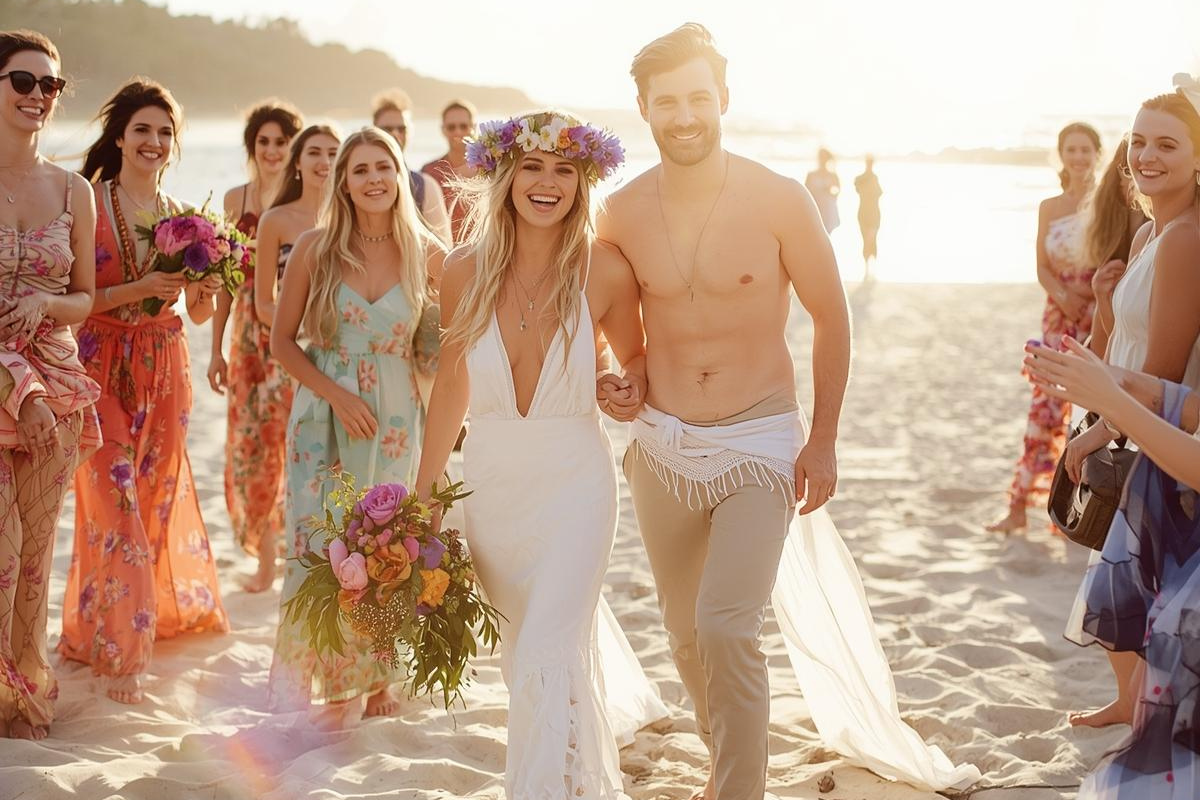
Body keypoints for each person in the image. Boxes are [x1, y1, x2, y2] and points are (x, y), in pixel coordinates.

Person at [598, 23, 979, 799]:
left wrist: (825, 440)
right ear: (643, 108)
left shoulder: (779, 198)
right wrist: (629, 375)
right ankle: (723, 755)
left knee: (727, 625)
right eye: (667, 101)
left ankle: (739, 789)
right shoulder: (621, 211)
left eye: (698, 97)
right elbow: (627, 334)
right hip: (663, 443)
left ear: (725, 98)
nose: (685, 115)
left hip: (761, 439)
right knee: (682, 633)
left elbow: (832, 316)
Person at [413, 110, 667, 798]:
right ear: (505, 175)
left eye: (564, 169)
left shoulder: (606, 269)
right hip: (493, 488)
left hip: (577, 484)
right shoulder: (463, 270)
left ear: (583, 183)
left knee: (549, 650)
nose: (547, 183)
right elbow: (449, 390)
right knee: (524, 657)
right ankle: (577, 783)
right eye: (532, 166)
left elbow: (635, 357)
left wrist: (626, 385)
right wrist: (425, 498)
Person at [60, 78, 230, 705]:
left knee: (152, 503)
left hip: (167, 367)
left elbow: (201, 313)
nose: (154, 142)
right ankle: (123, 657)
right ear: (120, 136)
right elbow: (78, 301)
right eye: (143, 130)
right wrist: (139, 289)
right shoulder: (86, 204)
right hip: (98, 363)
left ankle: (104, 630)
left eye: (165, 133)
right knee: (115, 505)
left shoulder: (185, 217)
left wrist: (207, 290)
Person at [266, 127, 444, 721]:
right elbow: (282, 344)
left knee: (387, 547)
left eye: (384, 168)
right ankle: (301, 681)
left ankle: (375, 683)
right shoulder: (318, 247)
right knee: (316, 545)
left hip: (396, 418)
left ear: (400, 177)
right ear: (343, 180)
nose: (373, 179)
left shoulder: (426, 254)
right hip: (323, 415)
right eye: (360, 169)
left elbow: (439, 349)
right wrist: (337, 395)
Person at [1060, 78, 1200, 735]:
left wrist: (1097, 433)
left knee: (1144, 586)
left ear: (1198, 158)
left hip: (1167, 429)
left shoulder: (1184, 242)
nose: (1146, 155)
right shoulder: (1148, 234)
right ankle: (1130, 704)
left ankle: (1153, 713)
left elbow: (1164, 375)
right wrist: (1108, 305)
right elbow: (1120, 346)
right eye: (1139, 141)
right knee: (1117, 580)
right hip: (1129, 416)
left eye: (1167, 144)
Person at [0, 28, 100, 740]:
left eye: (50, 86)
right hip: (9, 388)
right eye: (23, 82)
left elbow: (85, 297)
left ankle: (20, 695)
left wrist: (47, 304)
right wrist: (20, 388)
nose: (38, 96)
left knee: (34, 556)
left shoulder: (76, 190)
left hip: (60, 386)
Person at [229, 124, 340, 593]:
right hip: (281, 351)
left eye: (334, 153)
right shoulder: (276, 219)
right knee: (269, 453)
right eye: (314, 152)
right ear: (298, 160)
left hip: (337, 354)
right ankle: (269, 561)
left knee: (328, 459)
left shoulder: (351, 217)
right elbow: (262, 300)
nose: (324, 161)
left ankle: (326, 559)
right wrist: (301, 330)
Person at [206, 100, 302, 591]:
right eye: (263, 141)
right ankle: (266, 562)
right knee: (253, 447)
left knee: (298, 443)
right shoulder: (234, 200)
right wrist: (215, 349)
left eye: (281, 141)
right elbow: (224, 282)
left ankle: (295, 555)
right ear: (252, 147)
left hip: (298, 334)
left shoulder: (308, 201)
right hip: (248, 337)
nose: (271, 150)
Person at [986, 122, 1100, 534]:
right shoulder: (1049, 207)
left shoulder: (1110, 203)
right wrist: (1063, 296)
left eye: (1086, 150)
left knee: (1090, 413)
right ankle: (1018, 507)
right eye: (1072, 149)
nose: (1079, 157)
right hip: (1056, 317)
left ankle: (1073, 516)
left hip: (1097, 317)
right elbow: (1041, 266)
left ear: (1097, 154)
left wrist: (1090, 300)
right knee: (1046, 409)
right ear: (1061, 155)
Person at [1086, 137, 1150, 359]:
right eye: (1126, 170)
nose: (1132, 177)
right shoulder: (1113, 217)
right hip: (1113, 325)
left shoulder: (1155, 228)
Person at [371, 90, 452, 246]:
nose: (395, 134)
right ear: (373, 130)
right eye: (387, 129)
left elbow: (443, 249)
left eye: (402, 129)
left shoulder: (425, 186)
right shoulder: (356, 183)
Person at [421, 99, 478, 245]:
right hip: (442, 259)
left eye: (463, 126)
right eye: (451, 127)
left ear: (474, 127)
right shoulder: (429, 172)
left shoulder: (489, 170)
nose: (458, 131)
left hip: (484, 256)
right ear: (443, 129)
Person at [854, 155, 882, 277]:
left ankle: (872, 268)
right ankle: (867, 268)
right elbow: (858, 188)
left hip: (874, 213)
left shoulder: (874, 178)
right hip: (864, 212)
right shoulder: (861, 178)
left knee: (872, 239)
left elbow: (879, 193)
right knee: (866, 239)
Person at [804, 147, 840, 233]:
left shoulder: (832, 175)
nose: (821, 160)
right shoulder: (811, 175)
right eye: (820, 157)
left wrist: (830, 194)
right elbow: (805, 192)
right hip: (815, 207)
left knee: (827, 233)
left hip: (827, 208)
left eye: (823, 157)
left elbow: (838, 190)